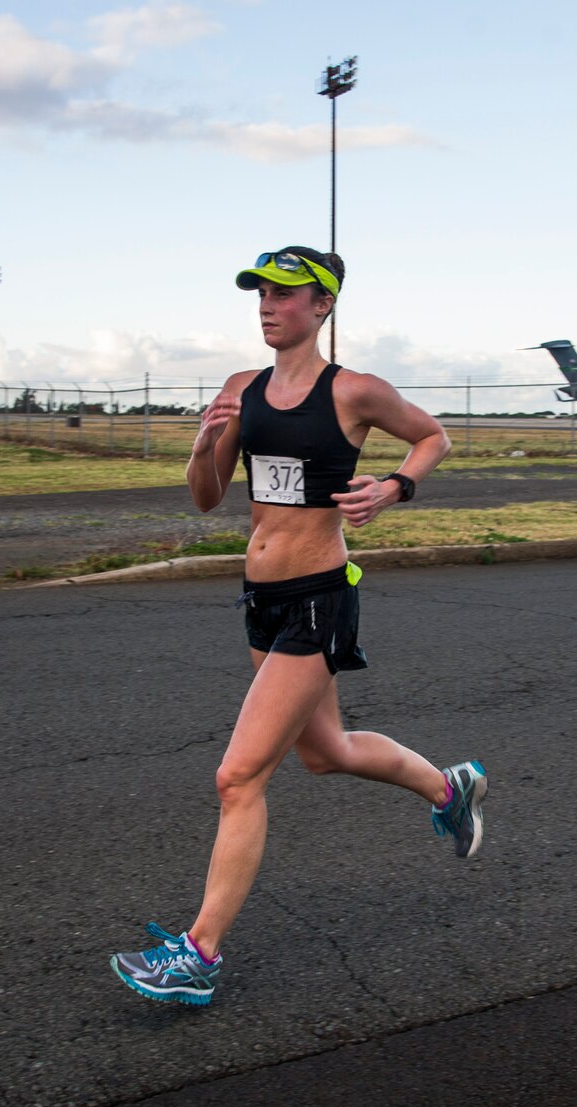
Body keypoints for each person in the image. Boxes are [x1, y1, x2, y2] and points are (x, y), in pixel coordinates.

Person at [110, 246, 487, 1008]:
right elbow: (206, 497)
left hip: (320, 594)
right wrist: (205, 441)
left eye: (285, 294)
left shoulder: (354, 391)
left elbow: (434, 435)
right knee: (326, 751)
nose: (267, 304)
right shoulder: (239, 389)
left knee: (238, 775)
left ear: (323, 306)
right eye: (261, 292)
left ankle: (199, 954)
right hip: (261, 597)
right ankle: (449, 788)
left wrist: (393, 485)